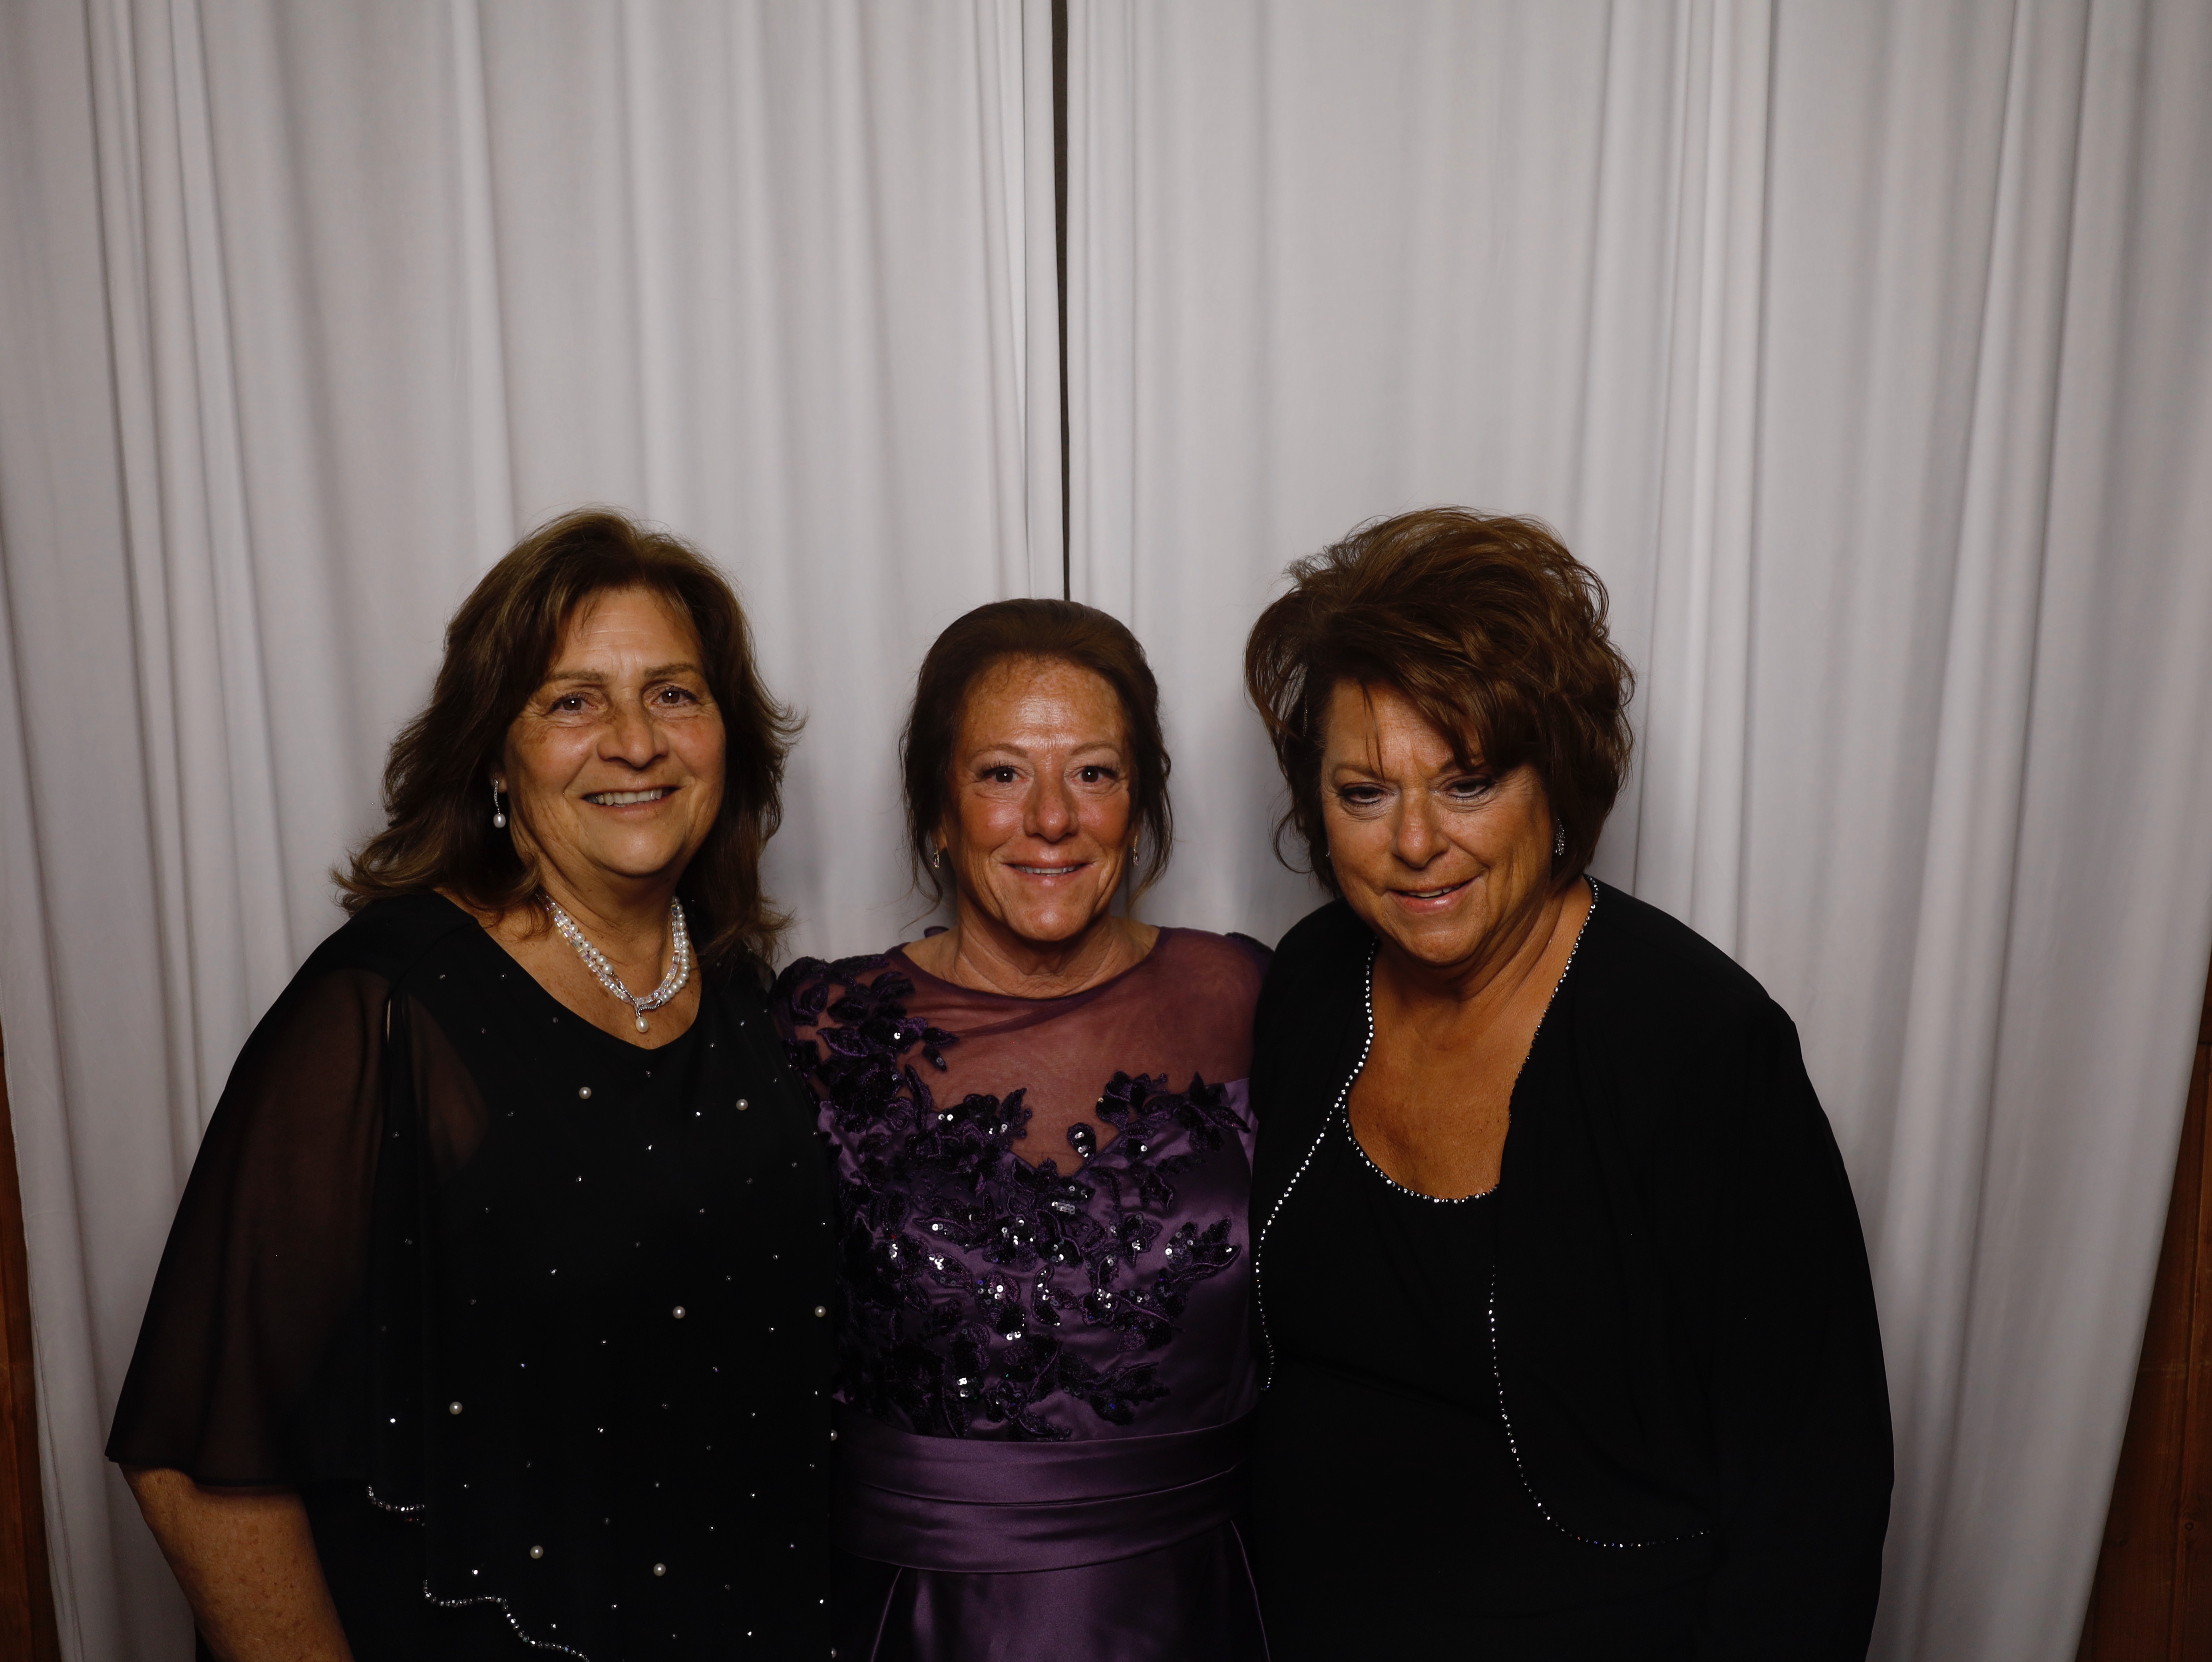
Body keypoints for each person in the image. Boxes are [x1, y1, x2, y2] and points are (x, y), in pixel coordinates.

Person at [108, 509, 835, 1660]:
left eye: (674, 694)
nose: (635, 742)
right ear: (495, 754)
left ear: (726, 737)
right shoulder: (391, 1007)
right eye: (572, 701)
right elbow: (192, 1461)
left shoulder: (740, 989)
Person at [1240, 510, 1892, 1661]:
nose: (1416, 842)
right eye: (1366, 793)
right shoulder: (1311, 981)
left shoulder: (1695, 1045)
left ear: (1559, 783)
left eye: (1469, 783)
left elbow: (1814, 1486)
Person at [777, 599, 1269, 1661]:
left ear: (1139, 804)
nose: (1052, 818)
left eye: (1093, 772)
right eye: (1002, 773)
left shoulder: (1247, 999)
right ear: (938, 809)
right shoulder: (820, 1031)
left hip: (1196, 1605)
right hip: (915, 1615)